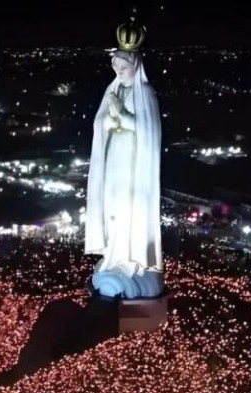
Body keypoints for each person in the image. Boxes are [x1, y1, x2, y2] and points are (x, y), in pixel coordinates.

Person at [84, 48, 163, 298]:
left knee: (129, 209)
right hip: (114, 157)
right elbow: (100, 122)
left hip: (133, 161)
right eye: (116, 67)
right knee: (113, 208)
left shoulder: (146, 93)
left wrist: (122, 115)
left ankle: (131, 256)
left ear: (136, 67)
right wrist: (110, 119)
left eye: (124, 67)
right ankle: (114, 254)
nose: (119, 71)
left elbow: (148, 130)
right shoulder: (114, 90)